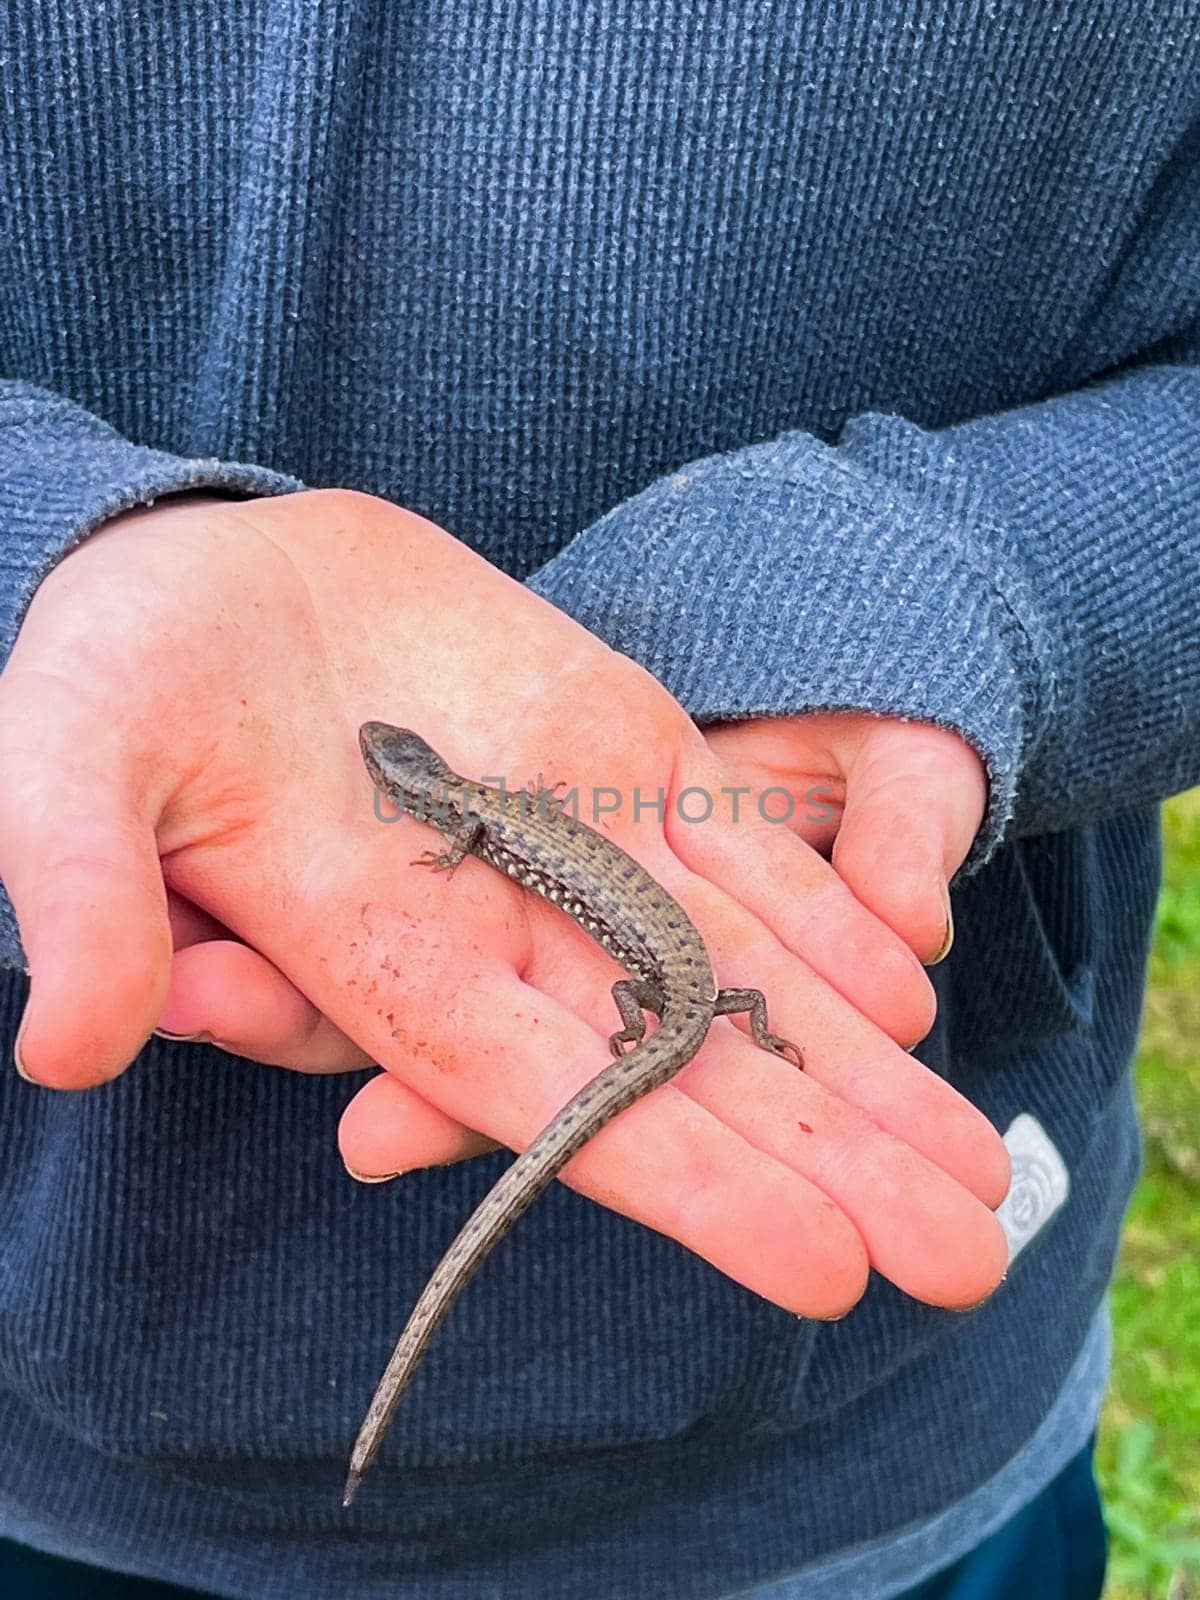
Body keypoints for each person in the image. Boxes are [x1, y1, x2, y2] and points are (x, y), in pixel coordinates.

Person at [0, 4, 1195, 1596]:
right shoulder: (485, 818)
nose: (402, 789)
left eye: (405, 781)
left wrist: (969, 587)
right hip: (59, 1461)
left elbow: (475, 839)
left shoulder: (469, 824)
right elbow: (499, 843)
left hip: (876, 1480)